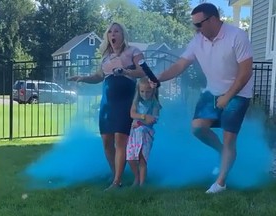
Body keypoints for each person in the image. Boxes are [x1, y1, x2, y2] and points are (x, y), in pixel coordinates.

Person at [154, 3, 253, 193]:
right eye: (194, 25)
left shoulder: (237, 36)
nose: (196, 29)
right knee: (198, 128)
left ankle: (221, 182)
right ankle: (223, 152)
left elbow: (245, 72)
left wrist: (228, 97)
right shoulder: (197, 41)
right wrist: (158, 78)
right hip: (212, 92)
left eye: (198, 24)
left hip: (237, 93)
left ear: (213, 19)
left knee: (229, 138)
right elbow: (179, 66)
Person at [68, 22, 145, 190]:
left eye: (116, 31)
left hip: (125, 100)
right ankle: (115, 175)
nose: (113, 34)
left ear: (123, 34)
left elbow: (143, 71)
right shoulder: (105, 57)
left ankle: (116, 182)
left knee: (120, 139)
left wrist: (126, 72)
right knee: (106, 141)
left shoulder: (133, 52)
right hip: (107, 103)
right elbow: (98, 76)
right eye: (110, 32)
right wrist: (82, 78)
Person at [126, 77, 161, 187]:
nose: (144, 94)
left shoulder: (155, 104)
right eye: (142, 91)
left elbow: (153, 120)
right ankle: (136, 178)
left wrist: (140, 122)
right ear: (138, 91)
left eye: (148, 91)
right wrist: (144, 116)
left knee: (142, 159)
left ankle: (142, 184)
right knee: (130, 158)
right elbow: (132, 114)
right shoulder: (136, 102)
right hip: (134, 134)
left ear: (153, 91)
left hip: (145, 134)